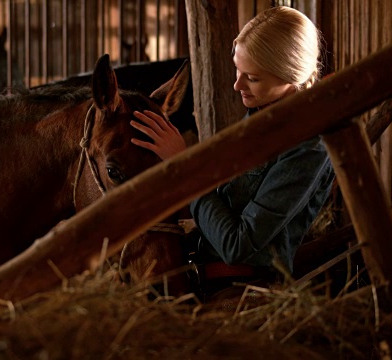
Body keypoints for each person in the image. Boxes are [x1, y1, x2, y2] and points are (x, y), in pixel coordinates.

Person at [129, 6, 335, 296]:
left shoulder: (309, 147)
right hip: (201, 275)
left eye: (252, 78)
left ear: (290, 75)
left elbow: (236, 245)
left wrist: (185, 168)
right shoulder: (262, 115)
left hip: (243, 293)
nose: (237, 84)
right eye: (238, 69)